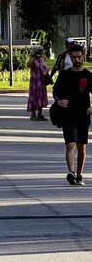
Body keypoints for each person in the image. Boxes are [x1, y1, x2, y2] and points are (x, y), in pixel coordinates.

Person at [53, 44, 92, 186]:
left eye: (79, 57)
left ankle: (80, 175)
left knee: (82, 147)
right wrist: (58, 101)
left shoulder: (88, 76)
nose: (77, 60)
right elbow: (55, 91)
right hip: (68, 115)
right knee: (71, 144)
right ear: (70, 56)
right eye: (74, 57)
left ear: (83, 56)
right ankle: (71, 172)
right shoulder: (65, 75)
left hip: (83, 116)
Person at [27, 47, 49, 121]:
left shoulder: (42, 59)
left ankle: (40, 114)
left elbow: (44, 69)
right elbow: (28, 64)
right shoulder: (33, 59)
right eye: (39, 51)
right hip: (35, 82)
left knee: (41, 97)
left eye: (41, 51)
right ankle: (33, 114)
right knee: (34, 97)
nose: (40, 53)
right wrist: (34, 57)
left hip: (41, 82)